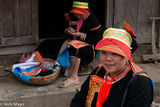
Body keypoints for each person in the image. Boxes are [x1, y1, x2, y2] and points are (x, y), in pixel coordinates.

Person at [70, 22, 154, 107]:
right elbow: (78, 100)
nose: (107, 59)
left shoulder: (139, 82)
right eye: (103, 52)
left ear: (126, 55)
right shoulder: (98, 72)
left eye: (114, 53)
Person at [58, 0, 104, 88]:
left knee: (75, 48)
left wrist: (81, 35)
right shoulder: (77, 18)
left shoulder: (93, 21)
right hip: (77, 43)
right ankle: (70, 75)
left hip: (90, 48)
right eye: (76, 14)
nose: (78, 16)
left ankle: (74, 77)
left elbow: (96, 40)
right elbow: (70, 34)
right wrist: (69, 32)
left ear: (87, 11)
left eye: (80, 14)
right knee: (71, 45)